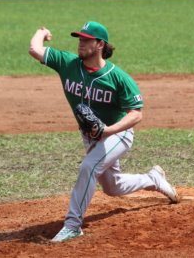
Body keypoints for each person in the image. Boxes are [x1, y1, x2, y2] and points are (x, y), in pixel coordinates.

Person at [28, 21, 179, 243]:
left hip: (118, 134)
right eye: (79, 39)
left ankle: (72, 225)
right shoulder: (68, 64)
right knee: (113, 186)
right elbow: (35, 49)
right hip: (91, 136)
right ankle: (153, 179)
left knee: (89, 167)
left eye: (86, 40)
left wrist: (109, 130)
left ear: (100, 44)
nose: (81, 43)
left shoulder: (118, 78)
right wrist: (41, 32)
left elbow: (136, 114)